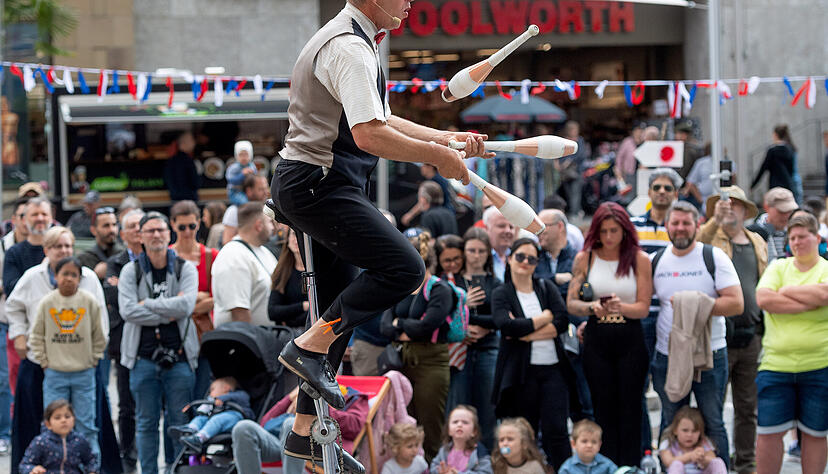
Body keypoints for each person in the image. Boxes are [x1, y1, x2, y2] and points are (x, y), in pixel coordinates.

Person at [268, 1, 491, 470]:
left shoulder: (356, 39)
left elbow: (384, 120)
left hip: (320, 184)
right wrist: (434, 157)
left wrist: (446, 141)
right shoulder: (349, 46)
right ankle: (306, 347)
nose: (410, 1)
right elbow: (369, 135)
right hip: (318, 185)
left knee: (338, 312)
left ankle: (304, 434)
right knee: (406, 268)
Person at [5, 226, 111, 471]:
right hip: (45, 365)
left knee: (86, 423)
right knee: (48, 423)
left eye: (67, 246)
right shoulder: (33, 277)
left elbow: (100, 322)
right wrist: (23, 340)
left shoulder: (89, 279)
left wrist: (95, 355)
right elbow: (14, 308)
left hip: (83, 364)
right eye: (57, 246)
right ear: (46, 250)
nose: (63, 250)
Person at [651, 201, 744, 469]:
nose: (680, 229)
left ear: (697, 225)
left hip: (710, 355)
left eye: (686, 223)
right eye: (675, 223)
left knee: (713, 421)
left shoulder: (713, 257)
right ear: (666, 226)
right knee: (669, 422)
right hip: (667, 355)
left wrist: (693, 304)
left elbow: (736, 303)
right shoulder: (656, 261)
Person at [566, 202, 652, 467]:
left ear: (625, 230)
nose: (609, 237)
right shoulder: (586, 258)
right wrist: (593, 308)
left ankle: (630, 466)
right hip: (597, 336)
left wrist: (619, 307)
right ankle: (605, 466)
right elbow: (571, 303)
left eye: (614, 230)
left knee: (631, 407)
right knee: (602, 406)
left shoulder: (639, 258)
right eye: (603, 231)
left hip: (630, 336)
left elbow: (643, 308)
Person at [118, 211, 198, 474]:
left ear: (169, 233)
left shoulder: (185, 268)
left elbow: (186, 307)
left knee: (179, 422)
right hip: (142, 360)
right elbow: (128, 311)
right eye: (150, 230)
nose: (156, 235)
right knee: (146, 423)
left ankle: (177, 470)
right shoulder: (131, 270)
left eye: (161, 230)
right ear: (140, 236)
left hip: (180, 359)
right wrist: (168, 310)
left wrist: (148, 305)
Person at [698, 186, 766, 474]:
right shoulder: (712, 238)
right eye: (725, 205)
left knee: (747, 407)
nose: (730, 209)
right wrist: (715, 220)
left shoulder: (756, 240)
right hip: (718, 337)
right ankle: (713, 462)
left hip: (751, 334)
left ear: (744, 210)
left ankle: (745, 462)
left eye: (735, 205)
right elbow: (696, 241)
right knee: (712, 408)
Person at [755, 212, 828, 474]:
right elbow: (764, 299)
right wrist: (812, 301)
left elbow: (826, 292)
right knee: (768, 433)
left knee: (815, 433)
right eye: (792, 238)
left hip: (819, 364)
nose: (796, 242)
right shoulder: (778, 267)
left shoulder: (825, 269)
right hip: (777, 365)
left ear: (817, 238)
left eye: (802, 237)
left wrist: (785, 292)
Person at [491, 238, 573, 470]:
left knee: (556, 430)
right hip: (521, 374)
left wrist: (526, 332)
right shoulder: (502, 292)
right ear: (509, 259)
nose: (525, 262)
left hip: (553, 369)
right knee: (525, 432)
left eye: (532, 258)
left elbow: (562, 321)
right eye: (520, 256)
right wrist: (543, 319)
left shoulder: (547, 288)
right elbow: (505, 326)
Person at [381, 230, 453, 460]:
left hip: (431, 361)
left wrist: (399, 323)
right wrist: (406, 328)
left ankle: (432, 463)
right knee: (403, 422)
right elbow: (384, 327)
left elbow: (428, 326)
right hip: (402, 360)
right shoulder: (400, 288)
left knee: (430, 421)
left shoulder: (440, 288)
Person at [29, 256, 107, 459]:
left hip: (84, 372)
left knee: (86, 424)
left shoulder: (88, 301)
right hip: (55, 373)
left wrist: (94, 358)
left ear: (80, 279)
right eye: (65, 274)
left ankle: (89, 465)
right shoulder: (48, 303)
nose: (69, 279)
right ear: (55, 277)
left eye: (74, 275)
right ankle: (52, 465)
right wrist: (44, 362)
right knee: (52, 424)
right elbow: (36, 335)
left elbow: (99, 334)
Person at [630, 167, 682, 453]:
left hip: (671, 319)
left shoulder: (683, 227)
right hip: (640, 317)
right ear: (649, 193)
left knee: (669, 391)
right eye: (657, 187)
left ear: (676, 194)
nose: (662, 192)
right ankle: (642, 453)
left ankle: (666, 452)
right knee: (637, 387)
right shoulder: (632, 224)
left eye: (667, 188)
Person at [439, 228, 500, 450]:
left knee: (487, 405)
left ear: (488, 253)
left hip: (488, 347)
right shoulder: (451, 280)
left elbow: (500, 317)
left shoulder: (495, 283)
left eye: (481, 251)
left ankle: (488, 454)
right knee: (458, 405)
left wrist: (482, 326)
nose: (476, 255)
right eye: (471, 250)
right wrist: (464, 308)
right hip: (458, 348)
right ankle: (456, 454)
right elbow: (442, 313)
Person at [232, 384, 369, 474]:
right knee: (243, 427)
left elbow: (355, 426)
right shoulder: (301, 392)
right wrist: (291, 397)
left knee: (292, 424)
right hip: (281, 444)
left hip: (322, 450)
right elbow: (265, 422)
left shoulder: (352, 396)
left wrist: (316, 407)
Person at [534, 209, 591, 423]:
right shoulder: (535, 258)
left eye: (542, 226)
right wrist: (554, 279)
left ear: (560, 227)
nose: (537, 231)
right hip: (543, 340)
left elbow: (585, 295)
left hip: (575, 340)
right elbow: (530, 284)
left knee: (583, 400)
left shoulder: (579, 258)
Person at [103, 209, 144, 472]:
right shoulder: (115, 261)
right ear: (123, 233)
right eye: (132, 226)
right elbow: (115, 297)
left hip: (154, 340)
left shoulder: (162, 258)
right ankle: (127, 456)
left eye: (142, 224)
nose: (139, 229)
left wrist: (129, 292)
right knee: (126, 405)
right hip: (123, 341)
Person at [170, 200, 218, 399]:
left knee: (202, 392)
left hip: (203, 334)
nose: (188, 232)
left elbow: (218, 297)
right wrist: (198, 297)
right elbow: (168, 301)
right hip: (176, 334)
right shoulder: (168, 256)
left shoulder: (210, 255)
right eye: (182, 227)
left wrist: (185, 302)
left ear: (199, 223)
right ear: (173, 225)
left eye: (192, 226)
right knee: (178, 397)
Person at [212, 201, 278, 327]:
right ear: (259, 225)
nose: (274, 227)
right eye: (270, 222)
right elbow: (239, 312)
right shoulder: (233, 256)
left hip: (270, 339)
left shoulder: (263, 251)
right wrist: (254, 344)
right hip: (248, 343)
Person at [0, 198, 29, 456]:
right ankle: (6, 434)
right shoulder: (5, 247)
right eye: (23, 213)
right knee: (7, 379)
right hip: (6, 321)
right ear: (16, 219)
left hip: (41, 325)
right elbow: (7, 287)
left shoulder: (46, 244)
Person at [173, 376, 253, 452]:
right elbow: (203, 410)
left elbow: (242, 397)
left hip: (235, 418)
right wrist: (191, 407)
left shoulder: (240, 394)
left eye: (212, 390)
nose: (210, 393)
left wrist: (223, 398)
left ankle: (199, 438)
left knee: (217, 419)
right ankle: (190, 429)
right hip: (217, 419)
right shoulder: (213, 400)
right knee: (201, 418)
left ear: (226, 388)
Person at [19, 400, 98, 474]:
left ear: (74, 420)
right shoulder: (41, 442)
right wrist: (33, 469)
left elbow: (90, 460)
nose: (63, 420)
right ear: (48, 424)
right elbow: (25, 464)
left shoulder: (80, 440)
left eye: (67, 417)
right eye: (57, 418)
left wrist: (92, 471)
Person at [3, 197, 51, 296]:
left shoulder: (61, 248)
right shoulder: (13, 253)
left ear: (51, 217)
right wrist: (40, 271)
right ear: (24, 219)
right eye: (34, 214)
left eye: (44, 214)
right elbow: (10, 289)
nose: (40, 218)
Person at [658, 406, 727, 474]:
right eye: (685, 430)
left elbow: (712, 458)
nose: (689, 435)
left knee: (718, 462)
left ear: (700, 432)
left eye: (694, 431)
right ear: (675, 430)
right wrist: (690, 456)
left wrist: (702, 459)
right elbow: (668, 462)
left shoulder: (703, 442)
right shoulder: (669, 443)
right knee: (676, 464)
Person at [429, 405, 492, 474]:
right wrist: (440, 471)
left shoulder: (480, 452)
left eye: (465, 422)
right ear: (449, 430)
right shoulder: (444, 450)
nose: (459, 425)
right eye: (455, 422)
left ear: (474, 431)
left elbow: (486, 472)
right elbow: (433, 467)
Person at [268, 229, 310, 330]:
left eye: (301, 236)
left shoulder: (319, 272)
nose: (297, 240)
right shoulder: (282, 271)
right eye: (294, 234)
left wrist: (288, 318)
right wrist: (303, 306)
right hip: (290, 336)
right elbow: (272, 311)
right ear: (287, 239)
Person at [747, 187, 797, 263]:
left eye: (790, 211)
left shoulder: (796, 231)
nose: (787, 216)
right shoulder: (752, 233)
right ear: (766, 207)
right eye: (782, 211)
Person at [401, 163, 456, 227]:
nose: (421, 168)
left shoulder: (435, 181)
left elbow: (424, 200)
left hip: (438, 217)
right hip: (447, 214)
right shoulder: (439, 178)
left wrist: (410, 215)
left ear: (430, 167)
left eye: (423, 165)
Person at [221, 175, 269, 245]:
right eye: (261, 189)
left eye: (266, 188)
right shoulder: (234, 211)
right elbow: (227, 242)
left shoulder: (267, 209)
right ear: (249, 191)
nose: (266, 192)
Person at [78, 206, 123, 281]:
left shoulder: (124, 255)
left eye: (114, 225)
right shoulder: (84, 259)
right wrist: (94, 276)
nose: (112, 230)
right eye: (106, 226)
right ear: (93, 230)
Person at [556, 121, 589, 217]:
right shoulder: (564, 140)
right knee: (568, 193)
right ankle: (574, 211)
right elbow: (560, 153)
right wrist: (560, 163)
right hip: (565, 173)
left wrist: (569, 161)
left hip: (576, 172)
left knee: (576, 193)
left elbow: (581, 155)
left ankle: (575, 213)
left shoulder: (580, 140)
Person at [751, 125, 795, 194]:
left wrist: (753, 185)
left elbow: (763, 169)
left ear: (775, 135)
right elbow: (792, 169)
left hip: (775, 185)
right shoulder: (790, 149)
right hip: (787, 185)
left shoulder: (772, 151)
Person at [164, 131, 200, 202]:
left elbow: (167, 180)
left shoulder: (171, 161)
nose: (194, 143)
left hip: (175, 200)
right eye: (192, 140)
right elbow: (195, 182)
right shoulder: (189, 160)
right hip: (190, 199)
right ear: (184, 143)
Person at [484, 207, 515, 281]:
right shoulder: (480, 257)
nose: (508, 231)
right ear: (487, 229)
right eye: (501, 226)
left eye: (511, 227)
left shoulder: (517, 256)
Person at [226, 140, 259, 206]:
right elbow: (231, 180)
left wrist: (252, 175)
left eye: (246, 154)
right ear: (236, 156)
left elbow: (255, 179)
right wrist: (242, 174)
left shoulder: (252, 166)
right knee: (244, 202)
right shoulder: (233, 167)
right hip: (235, 191)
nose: (243, 157)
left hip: (248, 191)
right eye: (241, 155)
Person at [614, 123, 645, 188]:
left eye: (641, 131)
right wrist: (619, 171)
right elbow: (619, 157)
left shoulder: (644, 142)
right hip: (629, 172)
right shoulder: (627, 142)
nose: (639, 133)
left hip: (641, 172)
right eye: (637, 131)